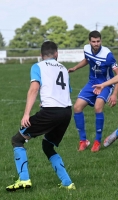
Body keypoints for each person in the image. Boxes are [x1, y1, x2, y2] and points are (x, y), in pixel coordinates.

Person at [6, 41, 75, 192]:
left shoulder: (38, 66)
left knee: (17, 140)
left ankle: (24, 180)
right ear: (56, 54)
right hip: (66, 112)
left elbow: (34, 89)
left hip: (50, 112)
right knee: (47, 145)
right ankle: (67, 182)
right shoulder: (63, 68)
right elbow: (66, 91)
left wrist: (26, 114)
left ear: (41, 55)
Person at [68, 31, 118, 152]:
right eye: (93, 41)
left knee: (98, 107)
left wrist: (114, 94)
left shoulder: (108, 55)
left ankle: (97, 142)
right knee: (77, 107)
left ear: (101, 41)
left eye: (98, 41)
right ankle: (83, 141)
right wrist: (75, 68)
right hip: (92, 83)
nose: (96, 44)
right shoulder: (87, 49)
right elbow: (87, 60)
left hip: (105, 85)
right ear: (89, 41)